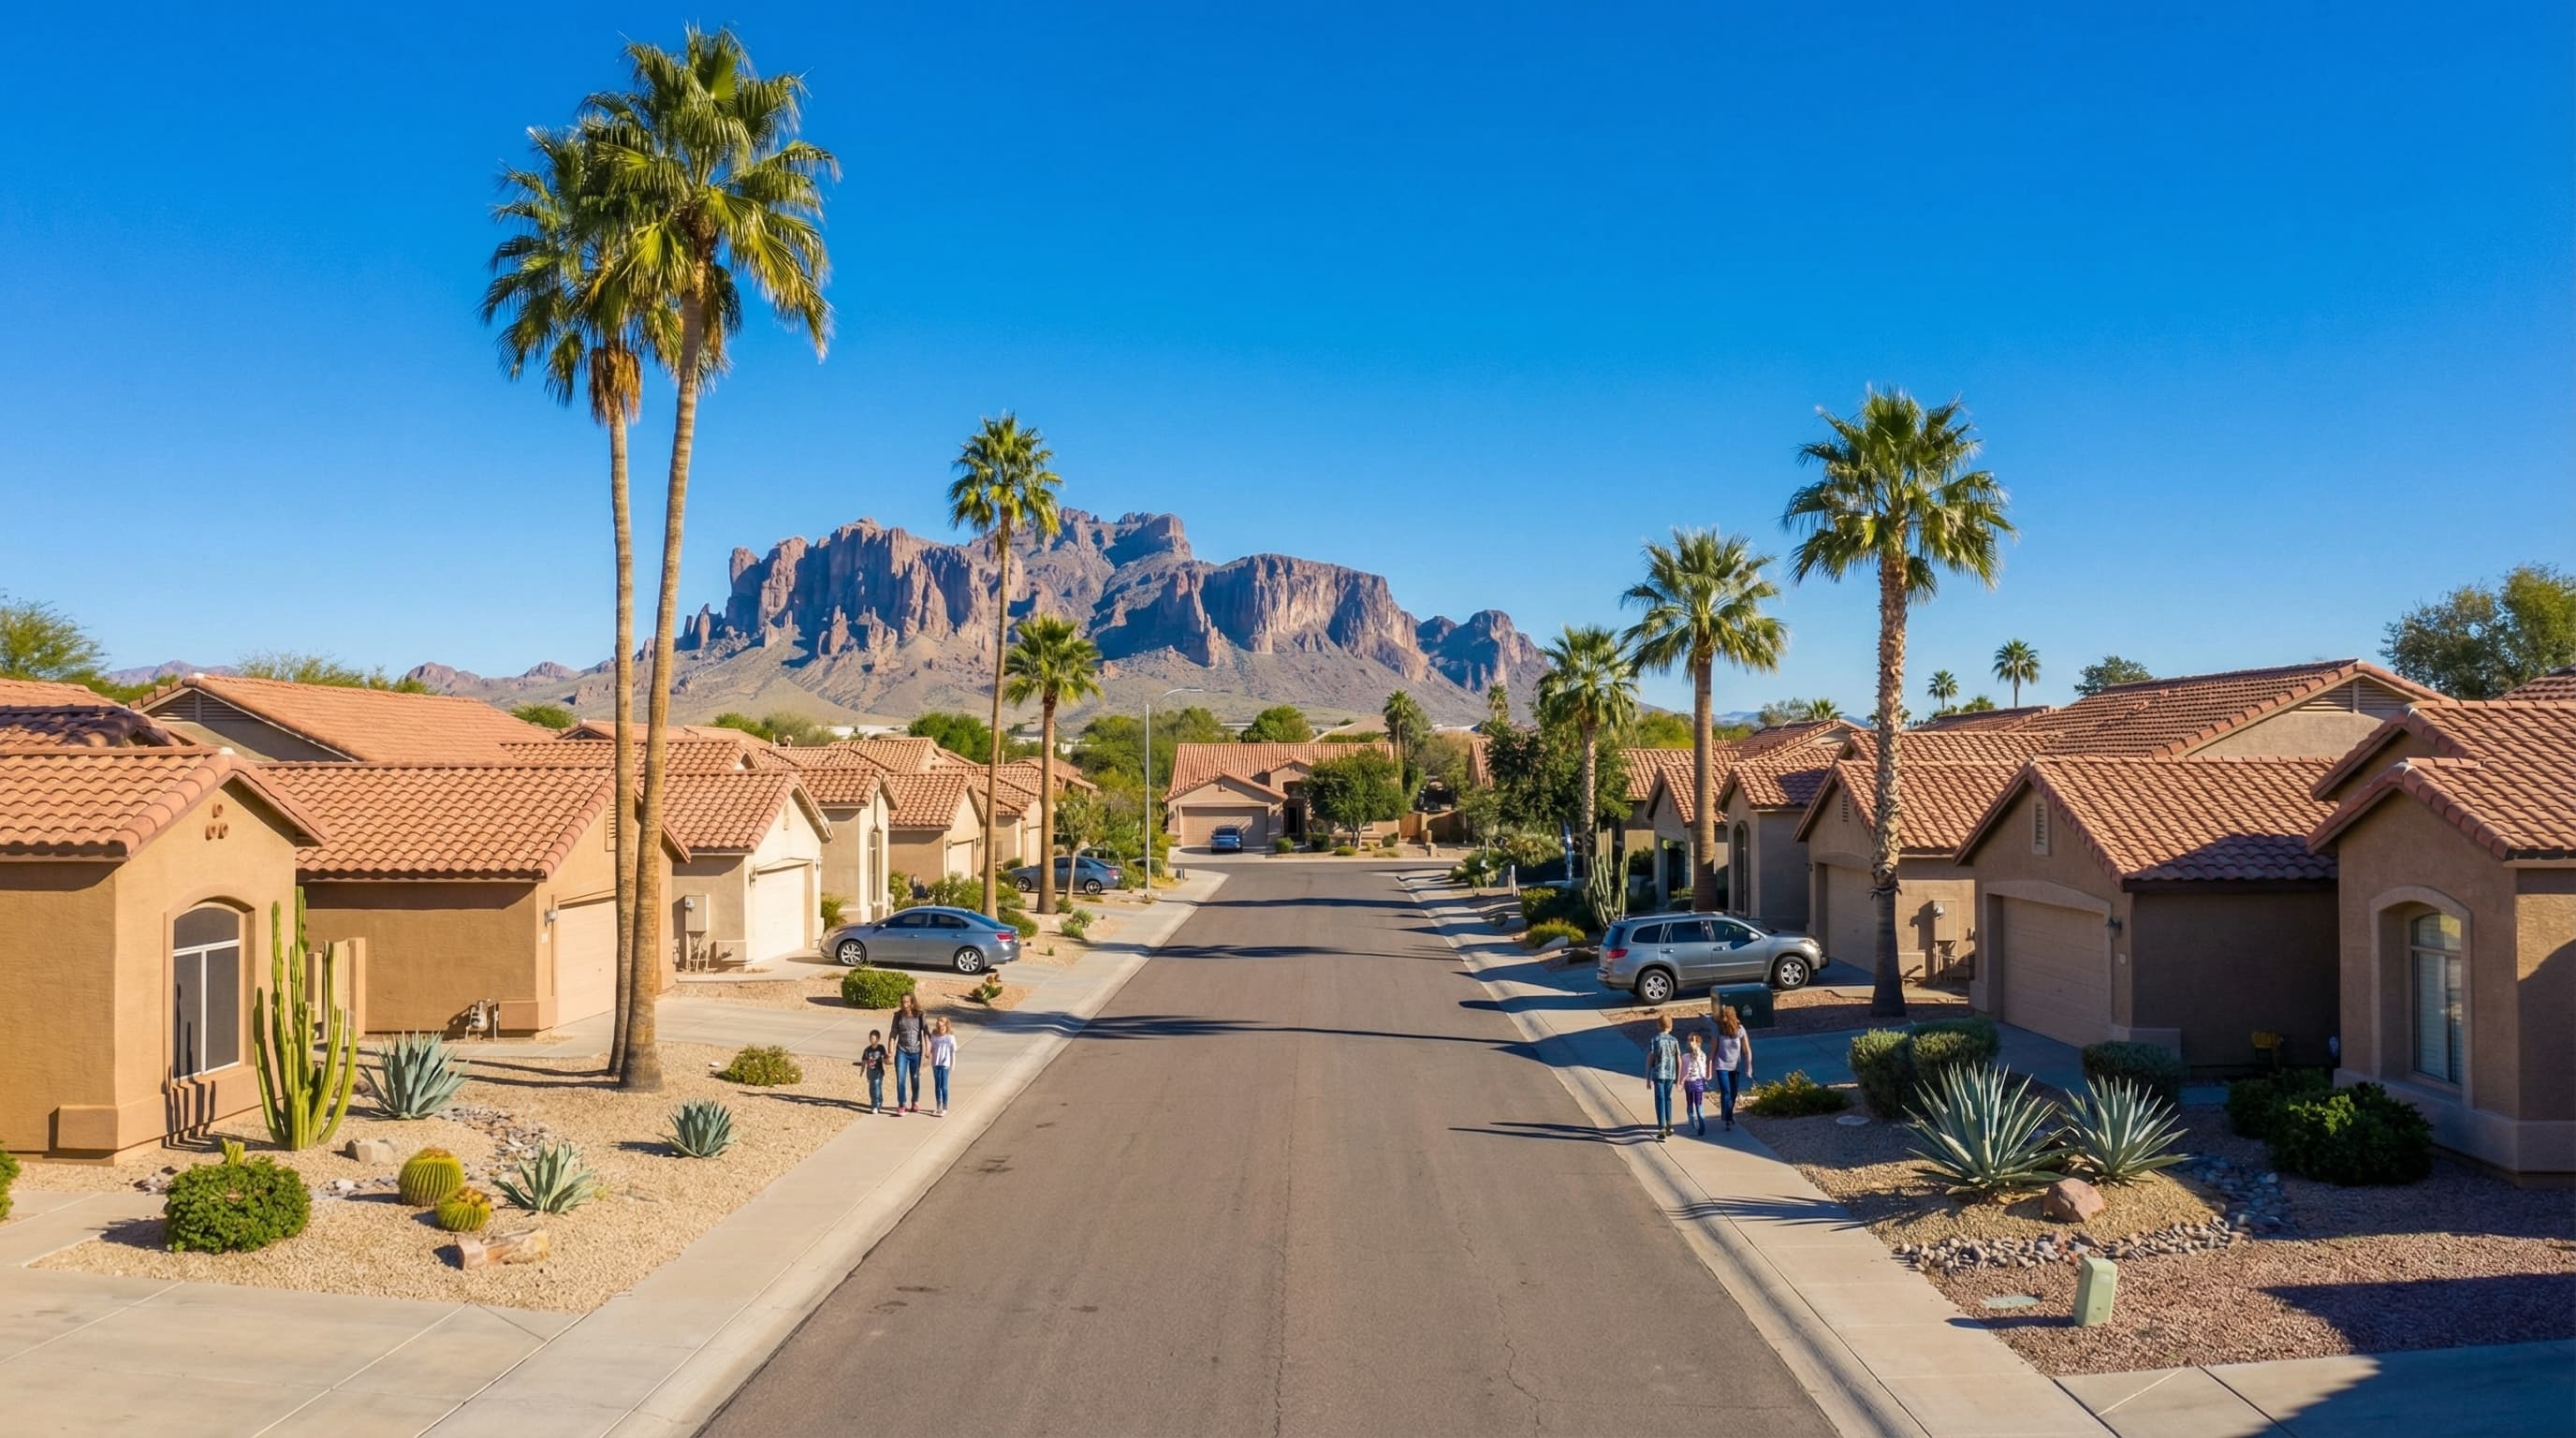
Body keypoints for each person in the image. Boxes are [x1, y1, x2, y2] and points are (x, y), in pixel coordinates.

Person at [1712, 1005, 1754, 1131]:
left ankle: (1729, 1113)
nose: (1724, 1020)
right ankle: (1727, 1118)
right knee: (1726, 1091)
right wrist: (1709, 1068)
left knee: (1734, 1092)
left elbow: (1747, 1050)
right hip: (1721, 1064)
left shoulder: (1740, 1030)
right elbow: (1713, 1051)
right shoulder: (1718, 1030)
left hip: (1735, 1065)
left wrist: (1749, 1067)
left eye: (1726, 1017)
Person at [1645, 1014, 1681, 1141]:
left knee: (1660, 1099)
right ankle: (1669, 1124)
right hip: (1671, 1074)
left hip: (1658, 1073)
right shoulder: (1674, 1040)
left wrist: (1648, 1076)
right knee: (1668, 1098)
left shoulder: (1655, 1040)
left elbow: (1651, 1058)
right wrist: (1679, 1077)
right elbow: (1679, 1059)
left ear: (1658, 1025)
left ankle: (1661, 1127)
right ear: (1671, 1026)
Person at [890, 992, 929, 1113]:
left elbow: (926, 1032)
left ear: (912, 1003)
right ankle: (902, 1104)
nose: (905, 1005)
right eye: (903, 1002)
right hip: (902, 1051)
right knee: (900, 1078)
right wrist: (891, 1049)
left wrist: (928, 1049)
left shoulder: (920, 1015)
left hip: (916, 1051)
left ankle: (915, 1101)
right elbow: (893, 1033)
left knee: (915, 1077)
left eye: (907, 1002)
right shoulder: (898, 1016)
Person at [1681, 1030, 1711, 1137]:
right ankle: (1698, 1127)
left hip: (1692, 1083)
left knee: (1693, 1105)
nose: (1689, 1043)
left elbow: (1684, 1071)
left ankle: (1695, 1126)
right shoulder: (1693, 1056)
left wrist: (1681, 1080)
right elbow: (1703, 1071)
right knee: (1695, 1105)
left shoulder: (1689, 1057)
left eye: (1691, 1041)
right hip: (1696, 1083)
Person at [928, 1017, 957, 1117]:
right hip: (935, 1063)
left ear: (947, 1026)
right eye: (939, 1026)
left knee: (943, 1086)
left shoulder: (950, 1037)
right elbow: (931, 1049)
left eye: (943, 1026)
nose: (941, 1028)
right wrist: (927, 1055)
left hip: (945, 1064)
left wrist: (953, 1064)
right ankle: (938, 1106)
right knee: (937, 1085)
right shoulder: (934, 1037)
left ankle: (944, 1107)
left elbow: (952, 1052)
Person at [858, 1031, 890, 1115]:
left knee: (877, 1087)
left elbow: (885, 1058)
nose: (872, 1040)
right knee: (872, 1089)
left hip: (879, 1072)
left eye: (873, 1038)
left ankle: (875, 1106)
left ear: (878, 1039)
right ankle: (878, 1101)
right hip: (870, 1072)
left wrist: (888, 1060)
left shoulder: (881, 1048)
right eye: (871, 1038)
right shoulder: (867, 1050)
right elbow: (864, 1060)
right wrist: (862, 1070)